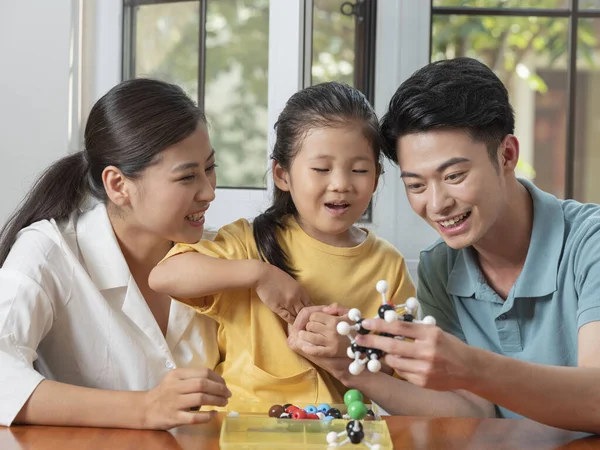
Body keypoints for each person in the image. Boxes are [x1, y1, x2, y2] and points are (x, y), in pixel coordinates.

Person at [348, 57, 600, 434]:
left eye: (454, 175)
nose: (436, 204)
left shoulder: (589, 243)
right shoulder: (440, 267)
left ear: (507, 155)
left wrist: (470, 365)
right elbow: (471, 411)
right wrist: (350, 366)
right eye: (416, 185)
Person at [149, 82, 416, 406]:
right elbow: (164, 276)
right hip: (246, 432)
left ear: (376, 177)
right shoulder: (249, 242)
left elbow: (398, 371)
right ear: (282, 174)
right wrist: (261, 275)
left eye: (359, 170)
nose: (341, 184)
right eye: (321, 169)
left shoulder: (387, 264)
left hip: (339, 436)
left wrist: (352, 349)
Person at [0, 78, 231, 429]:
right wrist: (145, 408)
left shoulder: (225, 254)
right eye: (187, 177)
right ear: (118, 185)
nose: (208, 192)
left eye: (210, 168)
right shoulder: (50, 251)